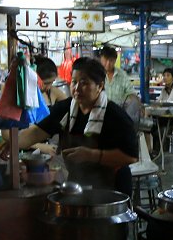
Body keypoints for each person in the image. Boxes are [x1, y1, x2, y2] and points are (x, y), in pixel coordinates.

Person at [15, 56, 138, 193]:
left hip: (112, 188)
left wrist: (91, 155)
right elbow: (35, 133)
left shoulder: (114, 115)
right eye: (74, 82)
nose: (77, 88)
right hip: (78, 184)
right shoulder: (65, 109)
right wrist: (12, 144)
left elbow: (131, 157)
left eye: (84, 83)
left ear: (100, 86)